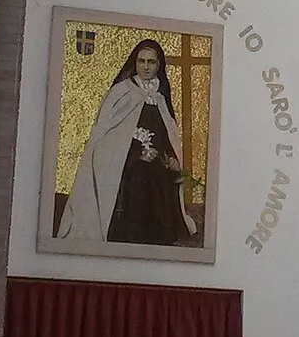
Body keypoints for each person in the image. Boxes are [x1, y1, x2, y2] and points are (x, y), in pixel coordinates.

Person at [60, 37, 198, 246]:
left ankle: (162, 236)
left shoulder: (160, 97)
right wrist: (136, 153)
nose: (146, 67)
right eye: (141, 61)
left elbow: (165, 134)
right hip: (127, 165)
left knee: (163, 178)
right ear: (135, 63)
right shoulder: (121, 92)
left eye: (151, 62)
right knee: (138, 179)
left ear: (159, 65)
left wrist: (171, 158)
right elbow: (105, 138)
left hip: (157, 163)